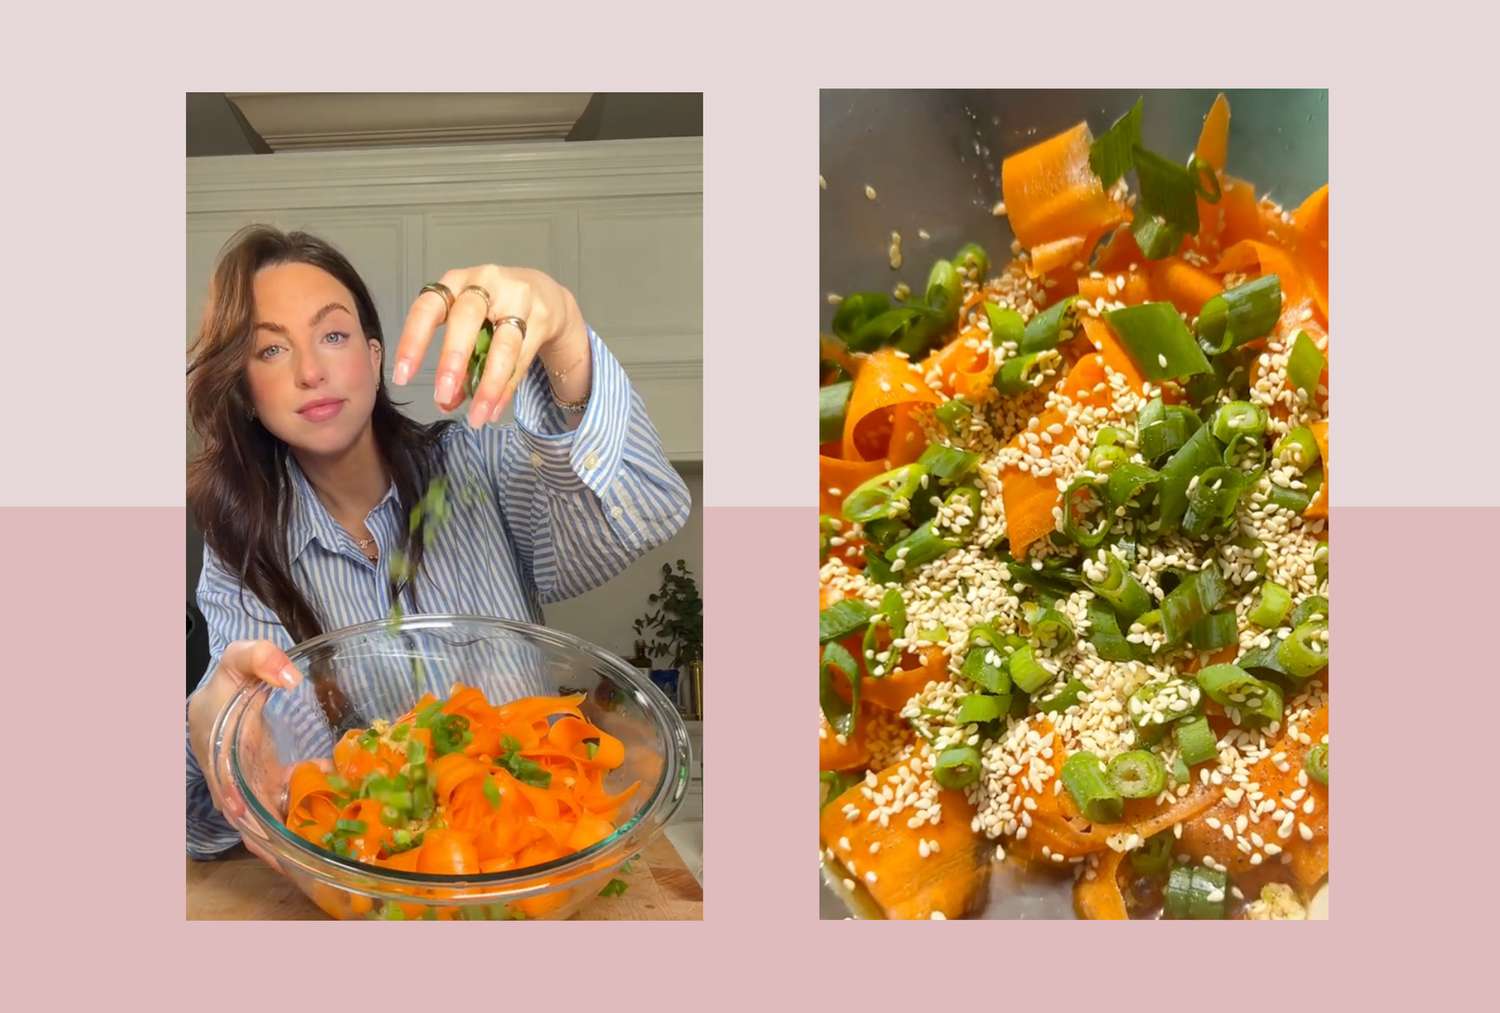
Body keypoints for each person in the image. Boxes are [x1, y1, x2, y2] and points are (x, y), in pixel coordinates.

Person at [185, 225, 690, 860]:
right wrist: (216, 726)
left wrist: (567, 342)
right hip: (381, 885)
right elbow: (281, 796)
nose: (310, 372)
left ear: (374, 357)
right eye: (271, 350)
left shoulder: (478, 465)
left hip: (533, 859)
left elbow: (647, 507)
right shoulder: (243, 554)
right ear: (245, 390)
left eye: (333, 335)